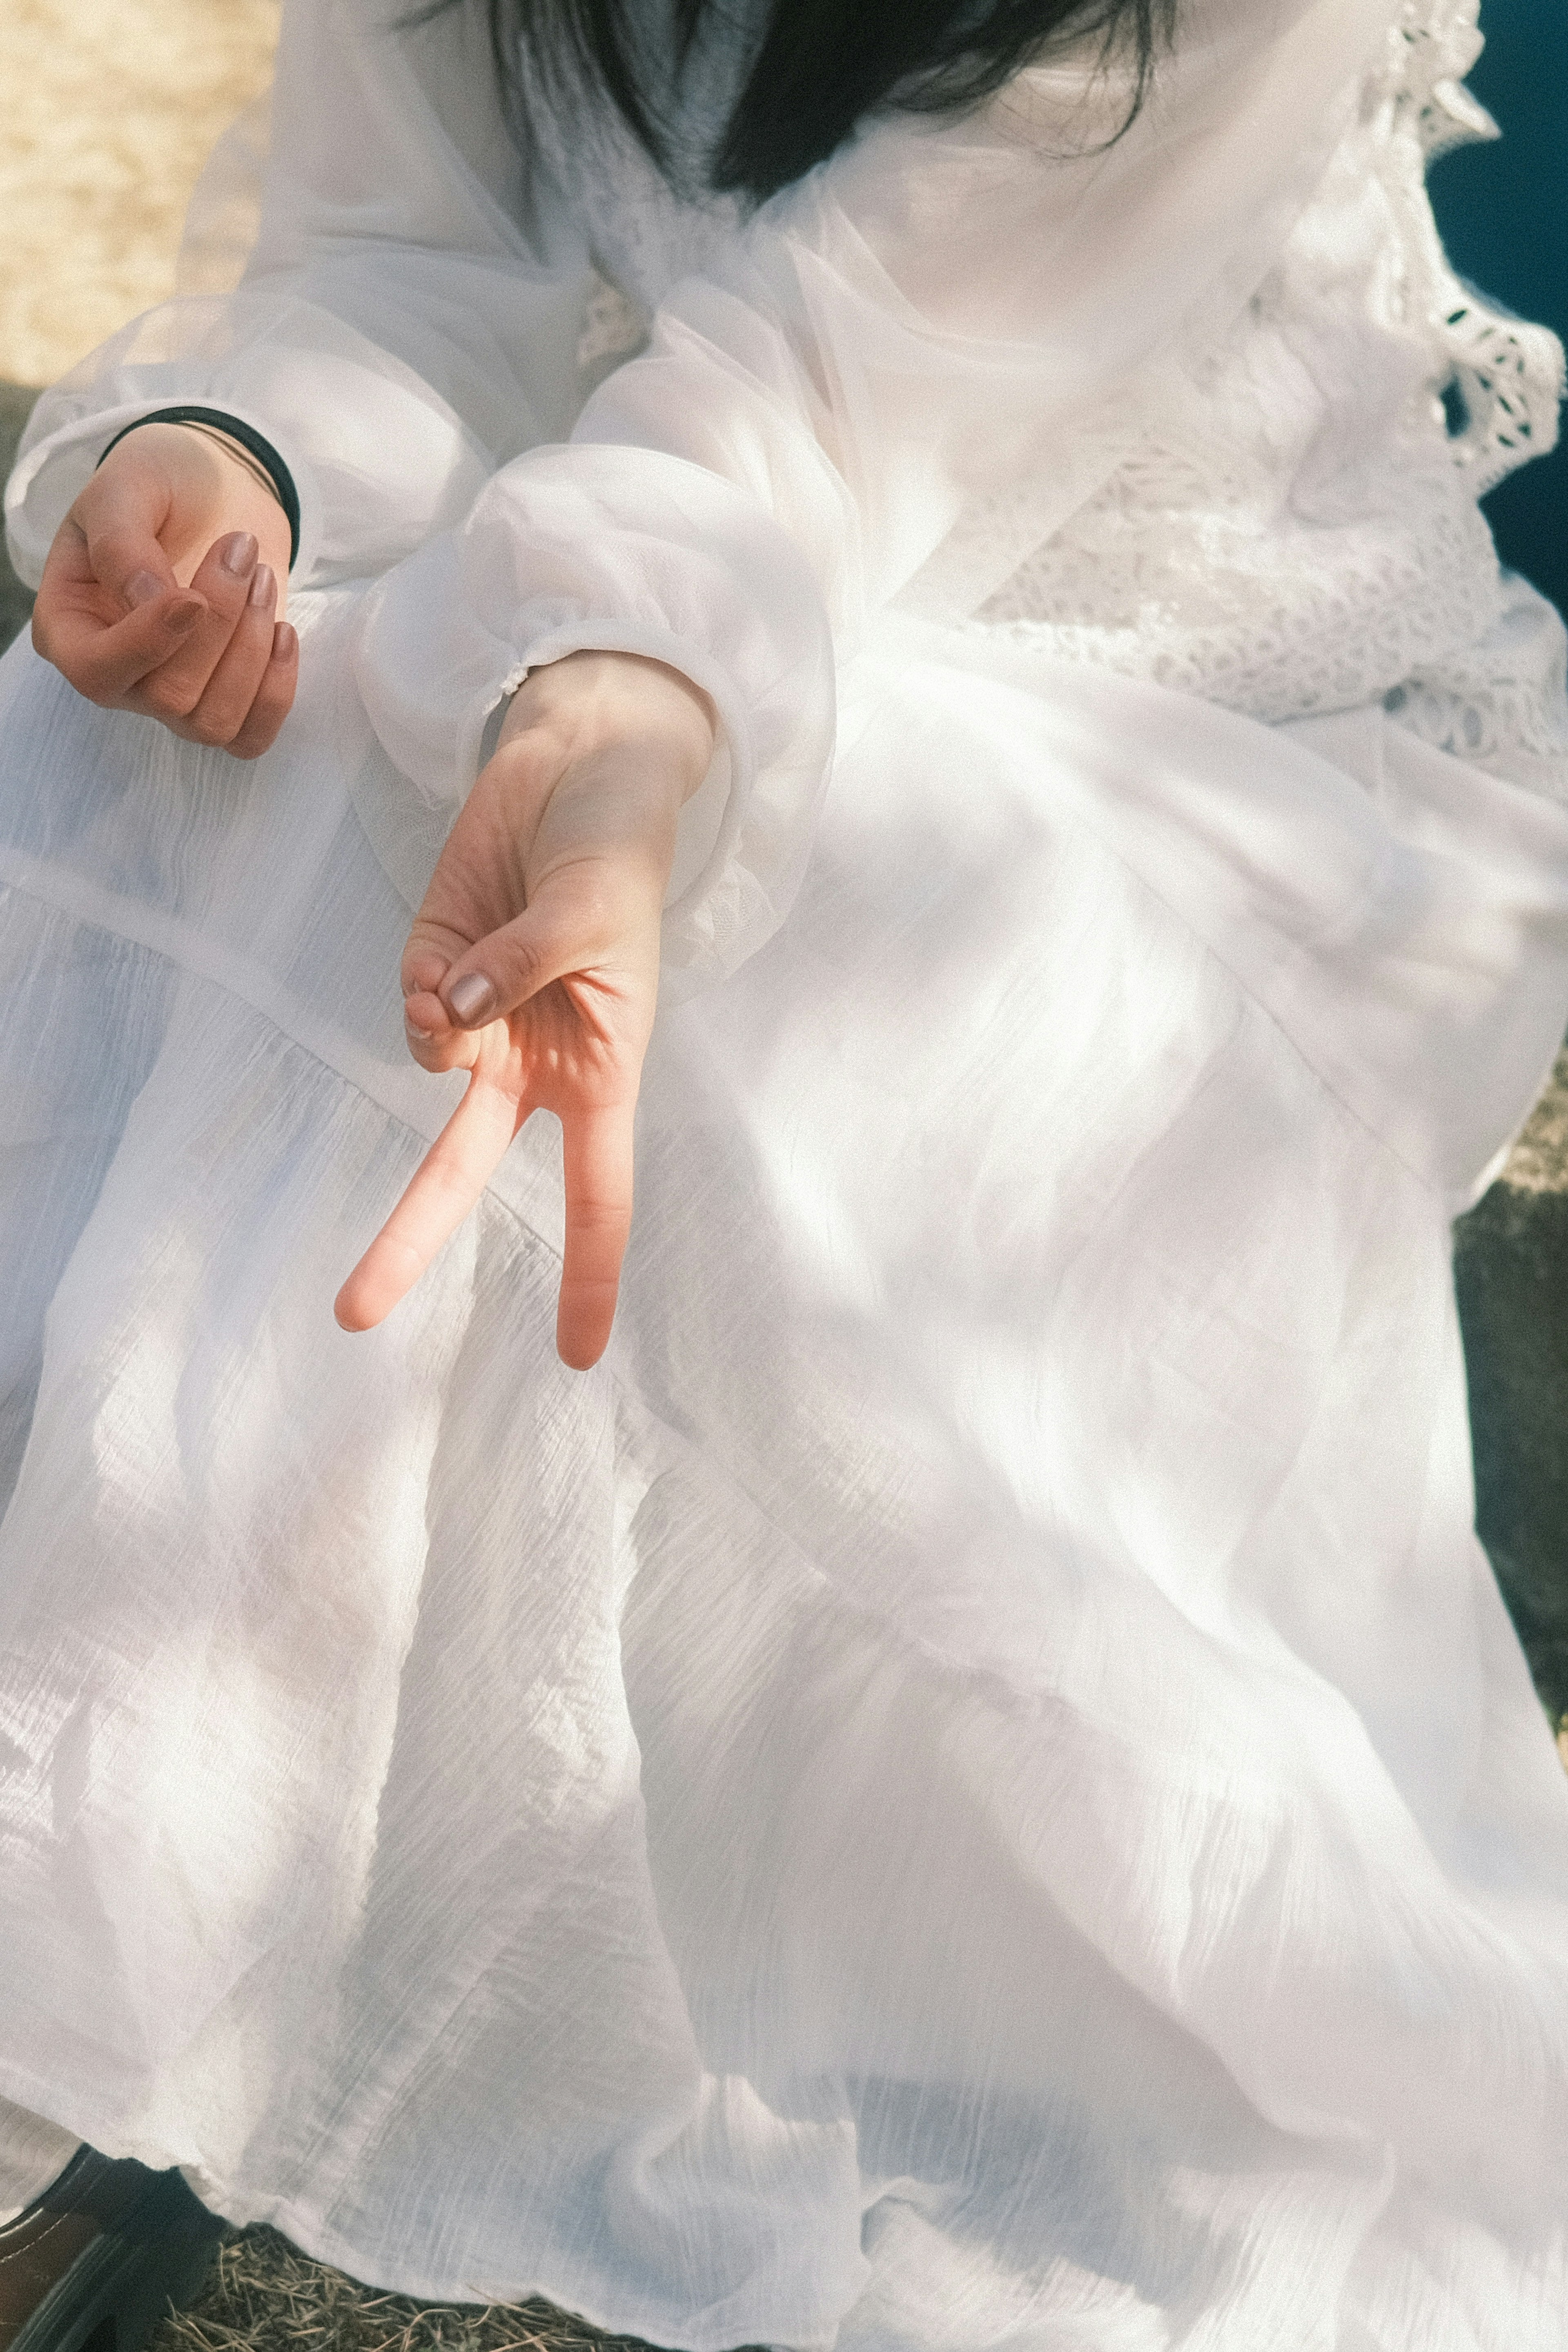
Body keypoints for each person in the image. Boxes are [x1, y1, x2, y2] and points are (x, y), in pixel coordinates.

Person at [1, 0, 1567, 2343]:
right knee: (136, 742)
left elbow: (842, 407)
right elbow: (400, 246)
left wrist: (616, 703)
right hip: (654, 564)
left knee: (449, 839)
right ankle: (118, 1913)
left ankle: (90, 1950)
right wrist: (234, 460)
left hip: (1206, 731)